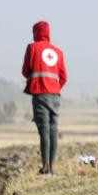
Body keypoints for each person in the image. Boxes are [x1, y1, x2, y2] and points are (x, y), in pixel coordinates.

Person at [22, 20, 67, 175]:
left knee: (44, 130)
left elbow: (25, 71)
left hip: (40, 94)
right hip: (55, 95)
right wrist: (54, 88)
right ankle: (52, 167)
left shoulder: (32, 48)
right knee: (53, 130)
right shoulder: (58, 52)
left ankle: (45, 167)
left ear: (36, 33)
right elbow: (64, 77)